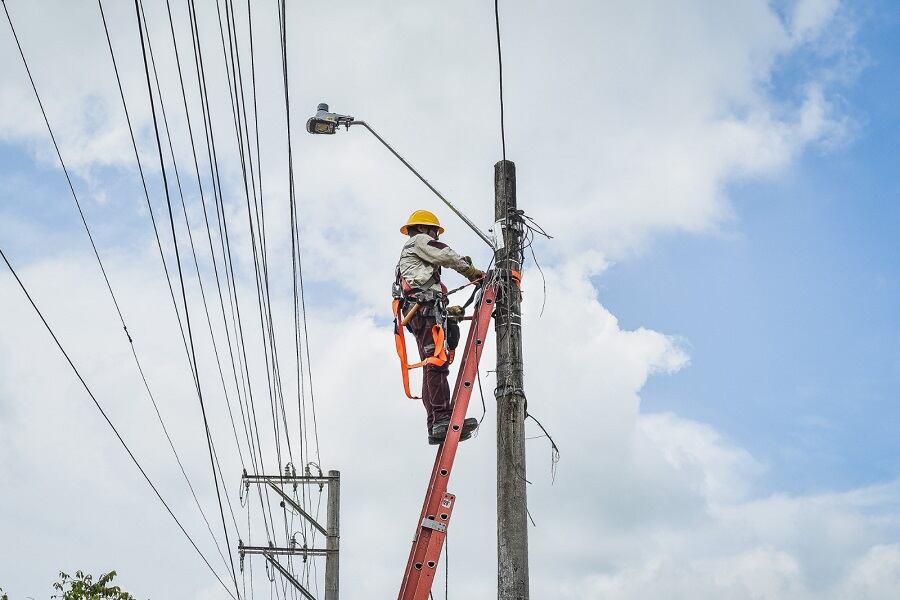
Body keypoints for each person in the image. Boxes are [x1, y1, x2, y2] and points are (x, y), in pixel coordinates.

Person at [395, 209, 485, 444]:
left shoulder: (413, 255)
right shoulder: (419, 240)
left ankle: (435, 425)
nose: (435, 236)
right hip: (423, 310)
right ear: (424, 228)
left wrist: (448, 312)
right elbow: (445, 254)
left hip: (421, 311)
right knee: (436, 363)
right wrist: (472, 273)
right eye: (434, 231)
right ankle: (442, 419)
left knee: (431, 365)